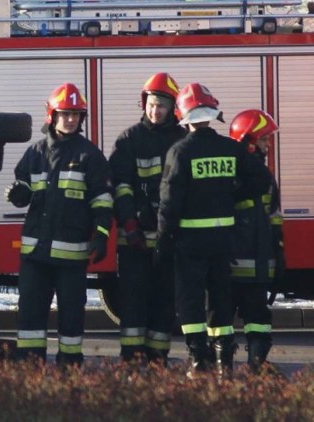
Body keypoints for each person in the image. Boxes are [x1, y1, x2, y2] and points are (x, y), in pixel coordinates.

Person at [157, 83, 272, 379]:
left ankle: (199, 362)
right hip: (223, 243)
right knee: (220, 301)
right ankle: (225, 365)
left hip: (190, 244)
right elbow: (261, 181)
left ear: (182, 115)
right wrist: (230, 194)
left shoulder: (179, 152)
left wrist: (164, 241)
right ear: (211, 113)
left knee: (191, 302)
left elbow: (169, 203)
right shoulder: (230, 149)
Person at [6, 82, 113, 366]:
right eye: (65, 113)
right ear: (52, 115)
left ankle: (70, 367)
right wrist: (19, 195)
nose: (71, 119)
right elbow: (23, 190)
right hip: (36, 256)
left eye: (76, 115)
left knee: (71, 317)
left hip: (71, 259)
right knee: (30, 315)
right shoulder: (36, 153)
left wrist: (102, 235)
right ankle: (30, 368)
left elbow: (102, 201)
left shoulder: (89, 156)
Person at [109, 72, 187, 365]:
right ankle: (131, 359)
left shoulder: (182, 140)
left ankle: (157, 360)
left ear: (172, 108)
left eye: (162, 106)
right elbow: (119, 184)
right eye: (152, 104)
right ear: (144, 104)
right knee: (132, 302)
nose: (155, 111)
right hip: (134, 241)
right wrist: (130, 222)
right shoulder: (129, 139)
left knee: (164, 303)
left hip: (168, 242)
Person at [229, 109, 284, 372]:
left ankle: (255, 366)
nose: (268, 144)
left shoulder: (266, 177)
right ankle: (234, 368)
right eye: (264, 139)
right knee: (234, 319)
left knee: (258, 319)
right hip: (238, 263)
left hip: (257, 261)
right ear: (249, 142)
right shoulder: (233, 177)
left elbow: (273, 217)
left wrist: (279, 252)